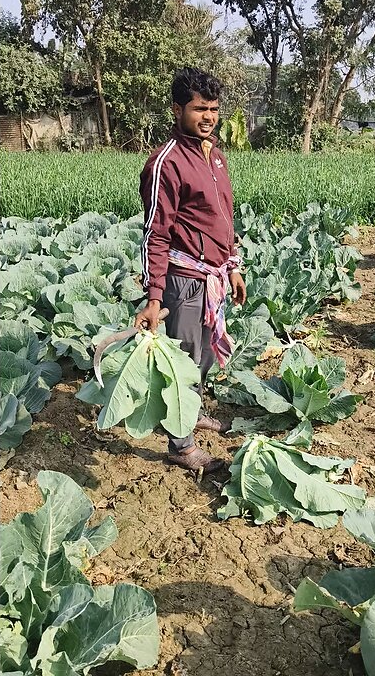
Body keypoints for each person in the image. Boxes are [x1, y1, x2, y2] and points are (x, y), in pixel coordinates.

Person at [134, 67, 247, 475]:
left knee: (200, 358)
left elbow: (222, 218)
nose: (208, 117)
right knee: (183, 360)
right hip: (182, 280)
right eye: (200, 108)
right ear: (177, 108)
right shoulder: (166, 163)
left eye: (214, 109)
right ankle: (180, 445)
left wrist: (231, 266)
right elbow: (156, 233)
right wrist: (152, 296)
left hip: (212, 275)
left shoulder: (214, 154)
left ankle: (192, 412)